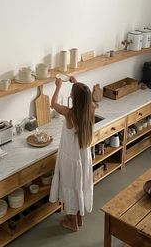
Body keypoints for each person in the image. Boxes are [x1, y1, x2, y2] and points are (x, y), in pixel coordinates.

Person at [49, 76, 94, 232]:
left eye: (72, 93)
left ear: (74, 98)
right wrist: (76, 84)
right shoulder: (89, 110)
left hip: (71, 159)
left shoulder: (70, 114)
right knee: (79, 187)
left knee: (71, 187)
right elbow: (85, 96)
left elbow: (53, 104)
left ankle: (73, 223)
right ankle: (79, 219)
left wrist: (58, 86)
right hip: (83, 158)